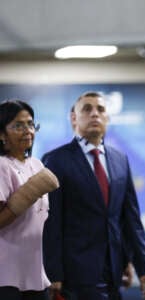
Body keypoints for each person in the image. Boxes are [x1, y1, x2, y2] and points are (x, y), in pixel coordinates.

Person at [42, 91, 145, 300]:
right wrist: (53, 272)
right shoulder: (55, 160)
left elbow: (131, 219)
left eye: (101, 110)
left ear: (108, 119)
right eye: (87, 109)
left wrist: (143, 267)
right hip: (73, 273)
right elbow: (51, 222)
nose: (95, 114)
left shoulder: (120, 159)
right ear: (74, 118)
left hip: (114, 270)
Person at [0, 100, 59, 300]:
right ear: (2, 134)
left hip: (34, 272)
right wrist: (28, 194)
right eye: (18, 125)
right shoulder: (2, 166)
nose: (27, 130)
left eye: (31, 124)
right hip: (5, 273)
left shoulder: (37, 164)